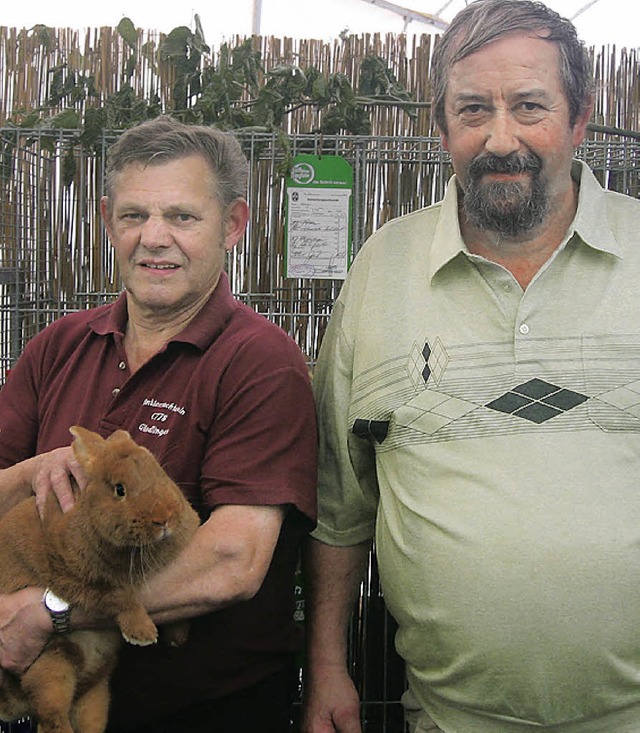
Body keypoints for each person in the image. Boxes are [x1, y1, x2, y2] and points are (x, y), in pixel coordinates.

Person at [301, 1, 640, 731]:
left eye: (529, 106)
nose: (500, 137)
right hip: (447, 718)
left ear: (580, 119)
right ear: (442, 124)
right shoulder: (381, 272)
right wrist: (327, 664)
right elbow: (340, 503)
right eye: (474, 108)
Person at [0, 115, 317, 732]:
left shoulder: (260, 362)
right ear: (106, 218)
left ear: (233, 225)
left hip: (203, 709)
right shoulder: (56, 347)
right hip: (55, 703)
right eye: (134, 215)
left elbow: (233, 560)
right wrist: (35, 471)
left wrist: (50, 610)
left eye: (182, 217)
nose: (154, 238)